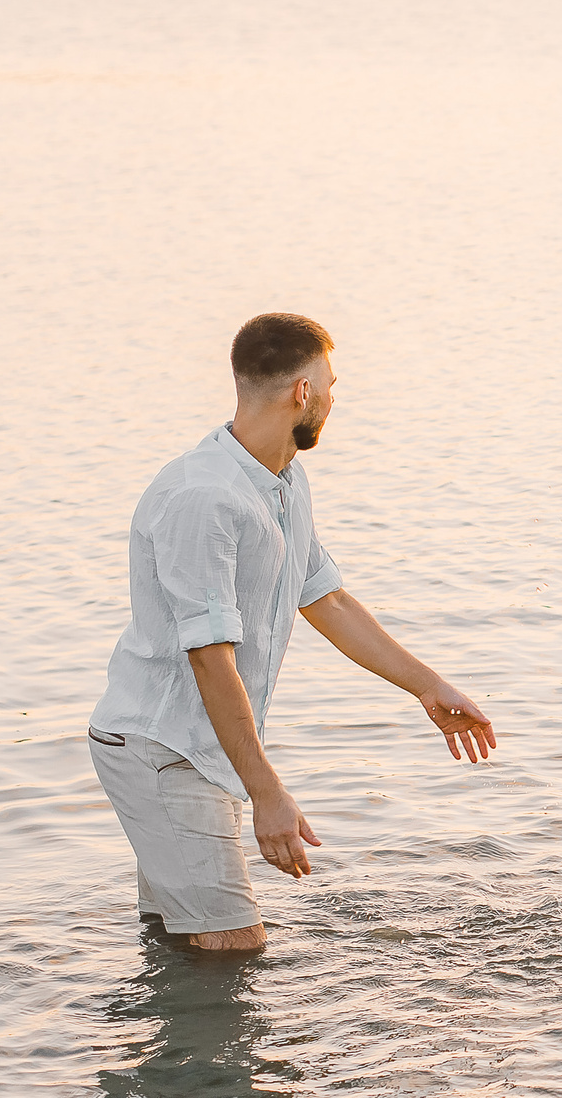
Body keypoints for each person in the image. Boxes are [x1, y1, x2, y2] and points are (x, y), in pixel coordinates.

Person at [87, 313, 495, 954]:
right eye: (331, 383)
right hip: (166, 752)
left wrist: (428, 686)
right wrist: (268, 794)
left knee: (180, 944)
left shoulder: (281, 480)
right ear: (301, 392)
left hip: (203, 748)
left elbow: (326, 599)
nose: (336, 398)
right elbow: (209, 659)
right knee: (234, 950)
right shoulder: (204, 497)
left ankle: (156, 1043)